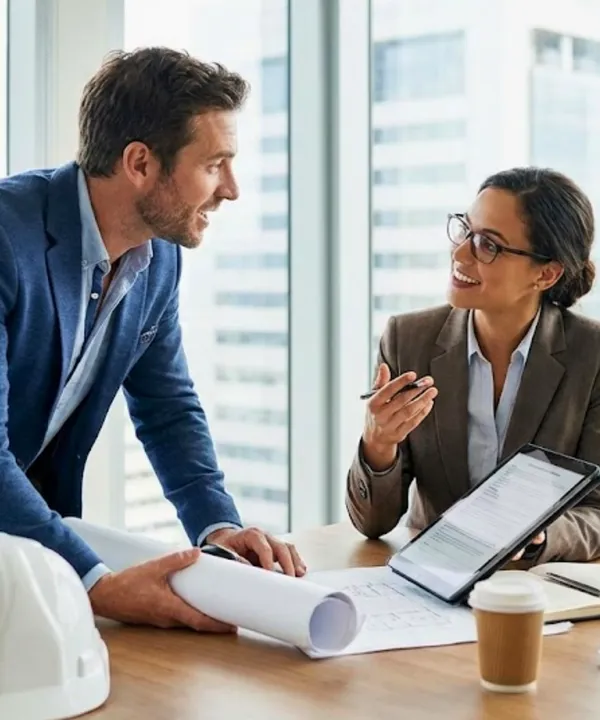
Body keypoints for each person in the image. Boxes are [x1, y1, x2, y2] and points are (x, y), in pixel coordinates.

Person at [0, 47, 305, 633]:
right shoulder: (6, 242)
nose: (232, 189)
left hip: (22, 553)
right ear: (140, 162)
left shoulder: (157, 257)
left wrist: (218, 530)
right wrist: (98, 583)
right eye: (215, 164)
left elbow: (168, 408)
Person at [347, 166, 600, 565]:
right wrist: (379, 444)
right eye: (465, 230)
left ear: (547, 273)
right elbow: (373, 524)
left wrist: (542, 535)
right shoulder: (407, 339)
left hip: (534, 590)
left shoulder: (593, 355)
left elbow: (597, 513)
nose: (460, 252)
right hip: (430, 580)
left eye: (488, 245)